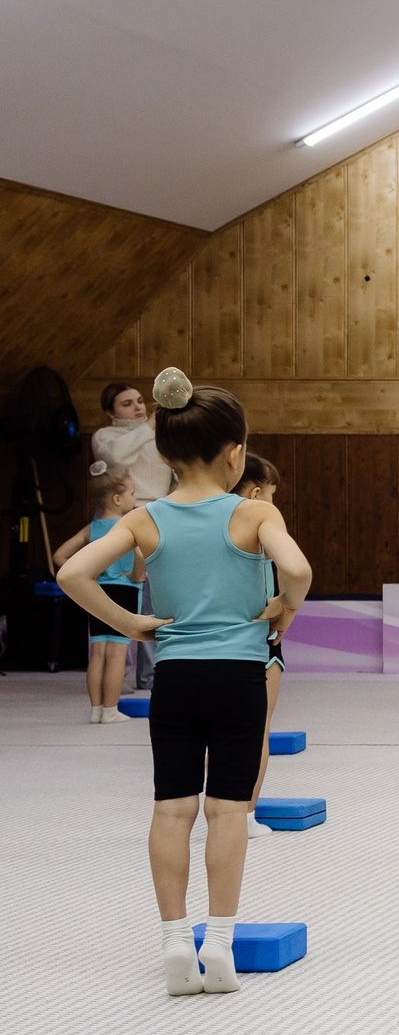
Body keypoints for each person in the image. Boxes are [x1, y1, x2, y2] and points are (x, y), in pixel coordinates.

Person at [57, 368, 310, 998]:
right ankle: (218, 943)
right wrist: (284, 607)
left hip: (175, 678)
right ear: (235, 454)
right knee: (227, 811)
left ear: (165, 453)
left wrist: (132, 624)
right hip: (239, 679)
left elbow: (73, 575)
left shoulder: (147, 519)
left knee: (172, 809)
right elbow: (298, 568)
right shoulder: (252, 512)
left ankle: (175, 942)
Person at [92, 380, 172, 690]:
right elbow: (117, 461)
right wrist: (150, 425)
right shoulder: (105, 436)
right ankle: (115, 673)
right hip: (117, 519)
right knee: (118, 593)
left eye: (140, 401)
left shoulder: (157, 437)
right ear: (109, 411)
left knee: (151, 597)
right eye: (127, 403)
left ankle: (149, 675)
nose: (138, 407)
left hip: (155, 516)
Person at [53, 463, 144, 723]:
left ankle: (95, 710)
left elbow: (59, 555)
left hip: (97, 591)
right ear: (117, 499)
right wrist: (137, 574)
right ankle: (111, 710)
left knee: (99, 651)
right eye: (132, 494)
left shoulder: (92, 528)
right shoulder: (128, 526)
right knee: (118, 652)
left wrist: (87, 575)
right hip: (125, 591)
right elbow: (139, 558)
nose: (134, 499)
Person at [232, 454, 288, 836]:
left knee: (218, 731)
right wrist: (287, 605)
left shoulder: (212, 523)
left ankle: (221, 808)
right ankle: (246, 815)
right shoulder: (262, 524)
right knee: (258, 730)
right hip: (261, 641)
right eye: (271, 494)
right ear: (256, 493)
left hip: (219, 641)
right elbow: (297, 570)